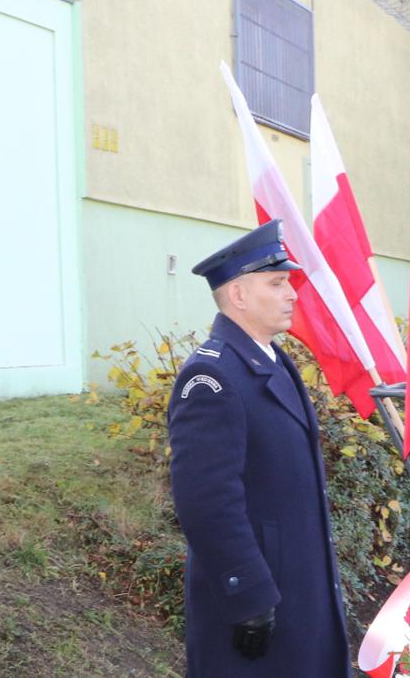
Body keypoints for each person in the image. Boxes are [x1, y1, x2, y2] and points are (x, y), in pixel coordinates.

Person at [167, 220, 349, 677]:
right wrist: (246, 594)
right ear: (239, 296)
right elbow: (206, 501)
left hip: (297, 587)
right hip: (257, 598)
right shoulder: (213, 377)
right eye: (278, 283)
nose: (293, 294)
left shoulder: (271, 359)